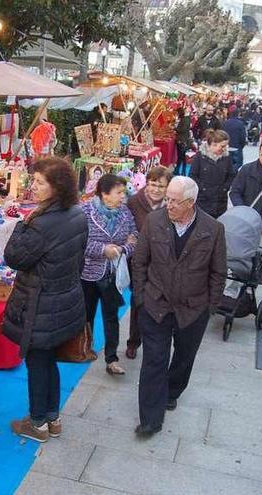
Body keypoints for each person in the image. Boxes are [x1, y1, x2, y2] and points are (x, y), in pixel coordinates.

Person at [132, 176, 227, 437]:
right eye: (167, 199)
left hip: (193, 309)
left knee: (184, 357)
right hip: (156, 305)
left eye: (175, 201)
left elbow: (219, 272)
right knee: (154, 361)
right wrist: (140, 297)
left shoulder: (212, 229)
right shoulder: (154, 221)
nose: (168, 205)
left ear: (191, 203)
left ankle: (172, 391)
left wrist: (210, 306)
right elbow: (140, 262)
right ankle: (150, 419)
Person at [4, 157, 89, 443]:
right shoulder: (77, 214)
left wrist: (21, 224)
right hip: (65, 301)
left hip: (41, 306)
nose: (33, 186)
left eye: (40, 182)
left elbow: (14, 257)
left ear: (57, 186)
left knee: (38, 363)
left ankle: (38, 422)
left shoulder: (41, 225)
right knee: (48, 360)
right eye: (33, 180)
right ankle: (53, 417)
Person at [81, 174, 138, 375]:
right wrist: (103, 249)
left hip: (113, 274)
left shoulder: (125, 213)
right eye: (119, 193)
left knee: (111, 316)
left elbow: (134, 239)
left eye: (124, 192)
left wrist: (122, 250)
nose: (123, 197)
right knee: (86, 314)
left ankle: (111, 358)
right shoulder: (85, 211)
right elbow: (80, 242)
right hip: (88, 273)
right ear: (104, 194)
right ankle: (83, 348)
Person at [126, 166, 173, 359]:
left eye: (161, 186)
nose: (155, 189)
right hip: (138, 261)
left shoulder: (171, 204)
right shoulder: (135, 202)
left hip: (162, 262)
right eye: (153, 184)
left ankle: (155, 340)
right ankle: (134, 341)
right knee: (139, 300)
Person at [190, 129, 235, 218]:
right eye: (222, 146)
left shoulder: (227, 157)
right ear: (214, 144)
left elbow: (231, 175)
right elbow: (193, 175)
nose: (224, 149)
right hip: (203, 200)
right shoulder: (200, 156)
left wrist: (224, 188)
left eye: (225, 146)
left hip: (220, 201)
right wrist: (202, 188)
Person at [174, 107, 193, 176]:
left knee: (181, 157)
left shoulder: (185, 119)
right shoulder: (186, 119)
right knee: (181, 157)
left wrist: (175, 129)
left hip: (182, 140)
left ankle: (181, 170)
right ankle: (180, 170)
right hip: (183, 140)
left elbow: (183, 129)